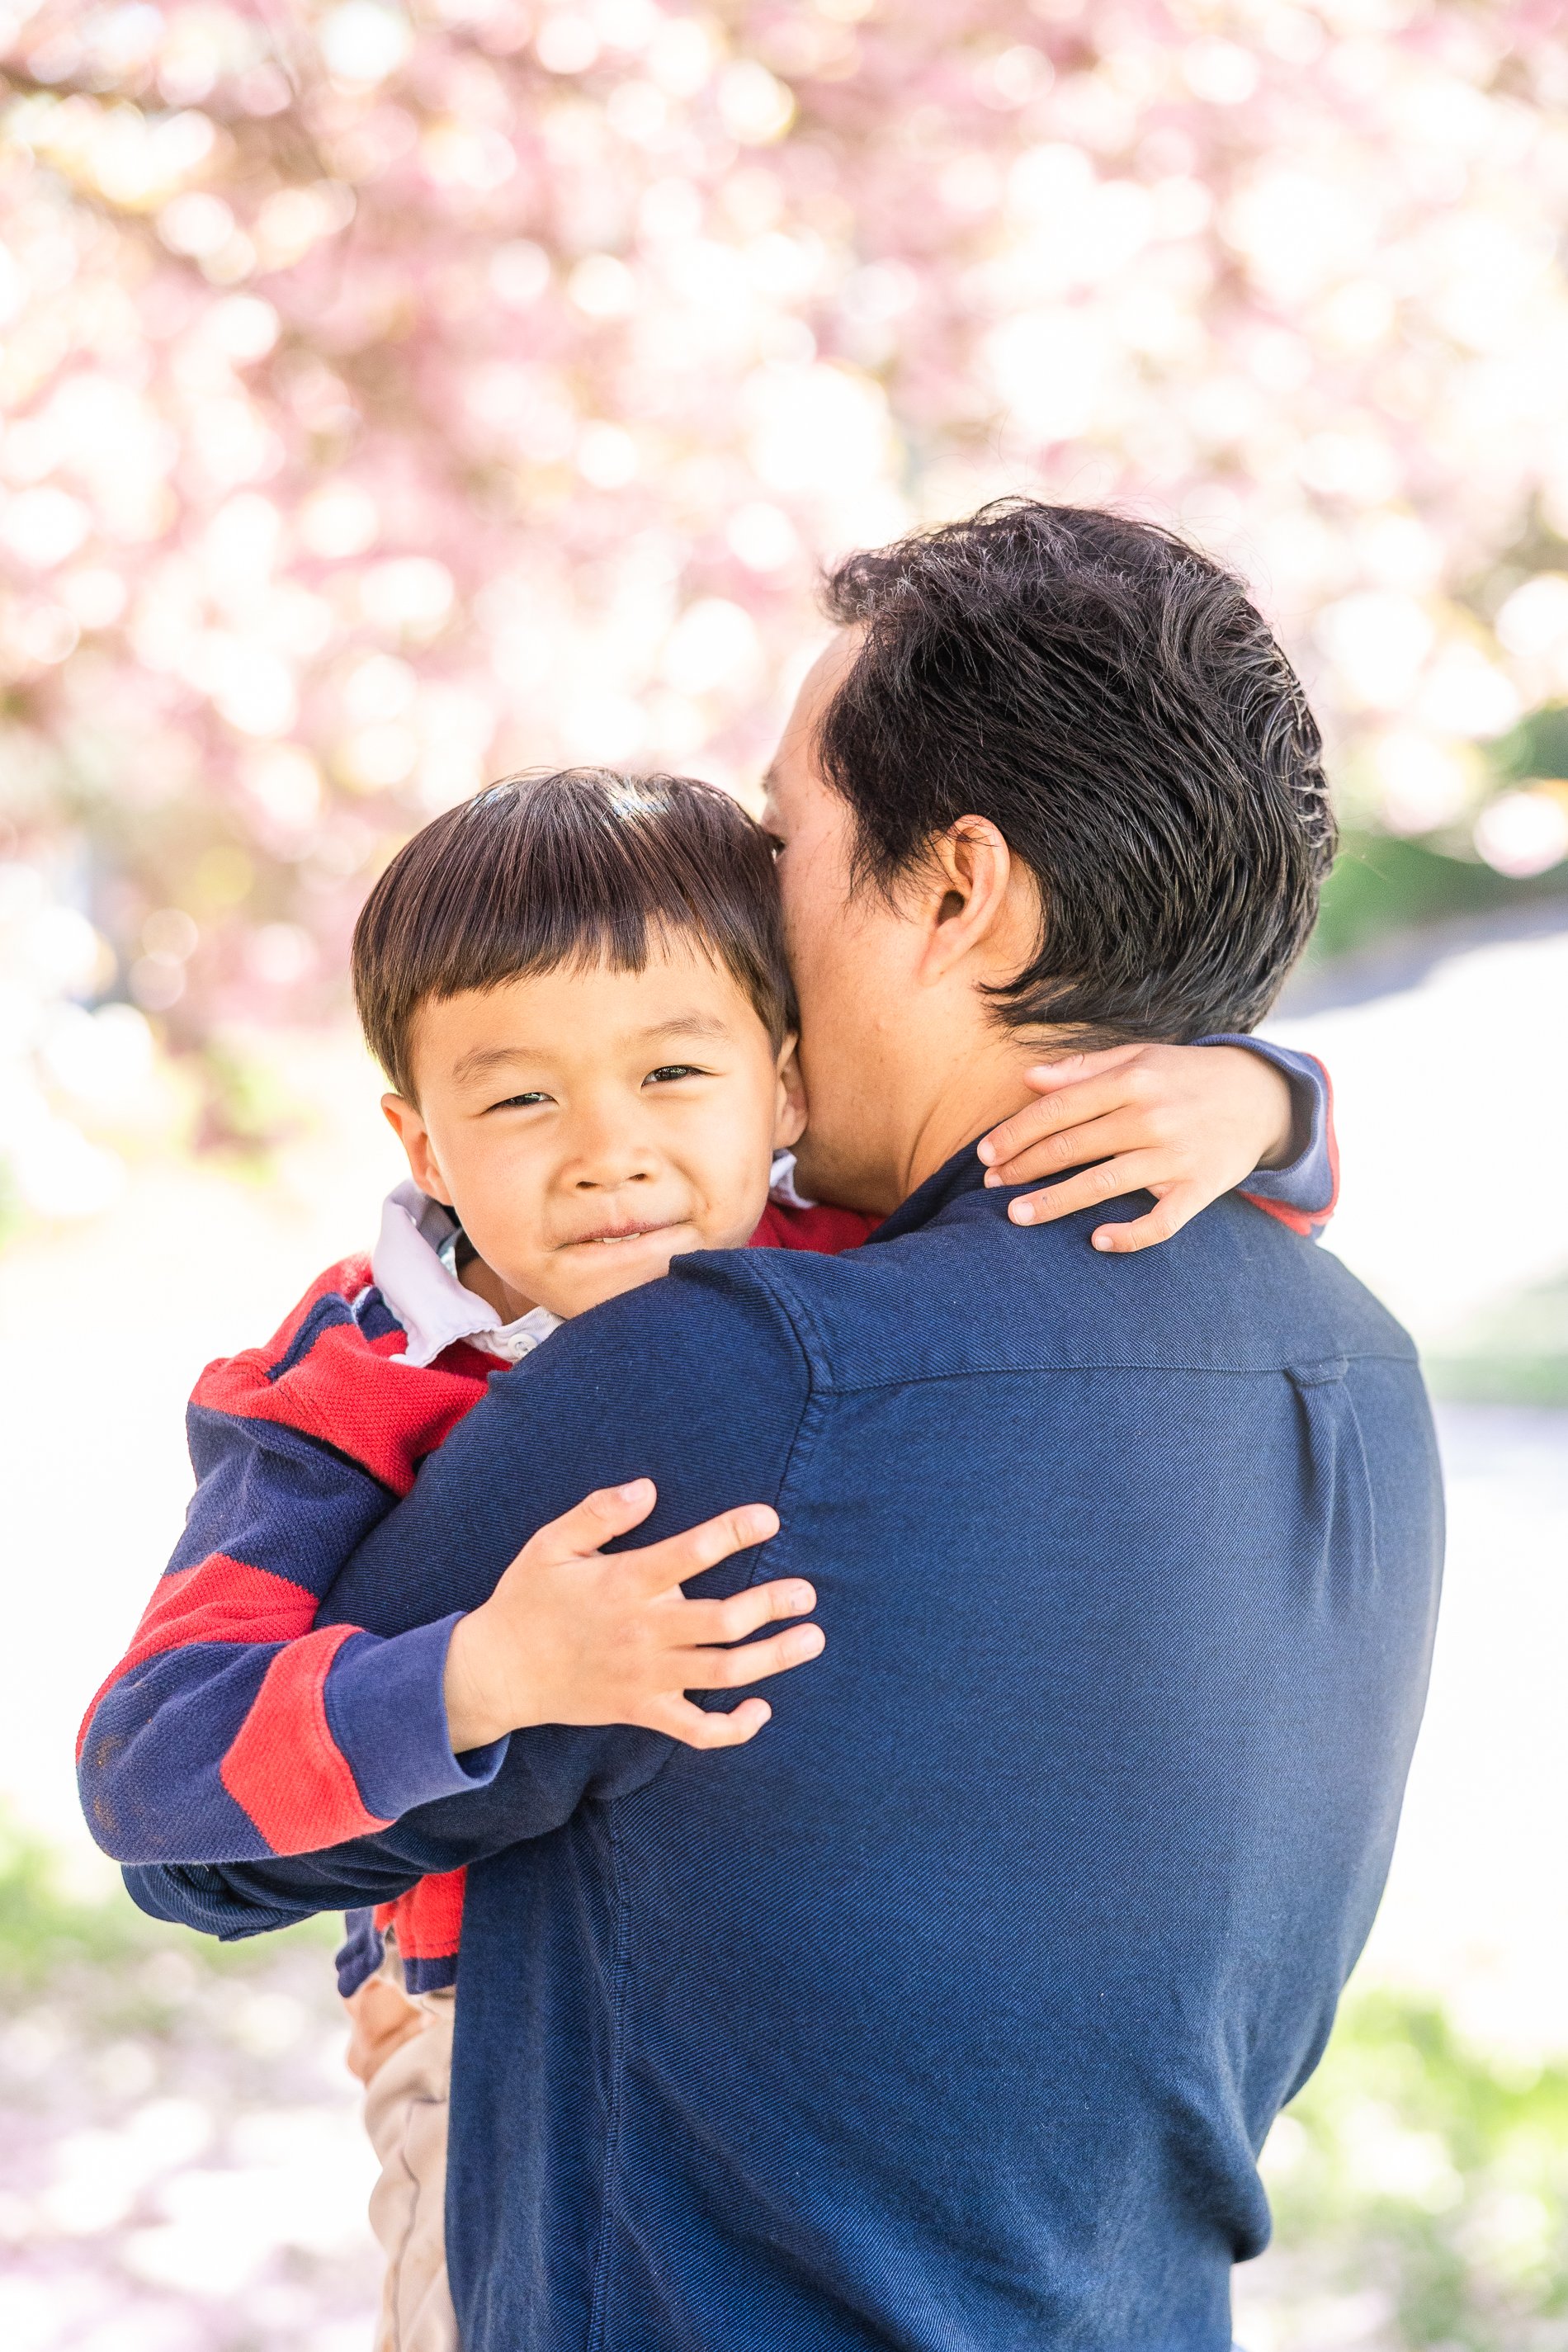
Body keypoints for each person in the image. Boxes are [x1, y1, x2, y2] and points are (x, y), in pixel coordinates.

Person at [113, 503, 1439, 2351]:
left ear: (958, 886)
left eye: (782, 834)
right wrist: (1263, 1095)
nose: (741, 901)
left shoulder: (734, 1372)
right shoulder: (1359, 1376)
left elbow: (197, 1847)